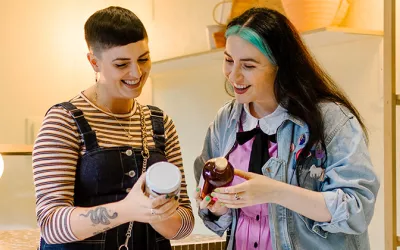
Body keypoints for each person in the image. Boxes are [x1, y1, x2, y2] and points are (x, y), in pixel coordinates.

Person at [194, 7, 379, 250]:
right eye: (228, 60)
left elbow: (357, 208)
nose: (233, 75)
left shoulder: (332, 120)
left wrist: (275, 192)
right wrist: (218, 209)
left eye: (248, 66)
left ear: (279, 66)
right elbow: (217, 218)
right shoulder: (225, 121)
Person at [33, 6, 194, 250]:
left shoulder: (160, 123)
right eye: (121, 64)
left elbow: (185, 222)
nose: (136, 72)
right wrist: (128, 210)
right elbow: (51, 224)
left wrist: (159, 213)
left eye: (143, 59)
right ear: (94, 62)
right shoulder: (63, 121)